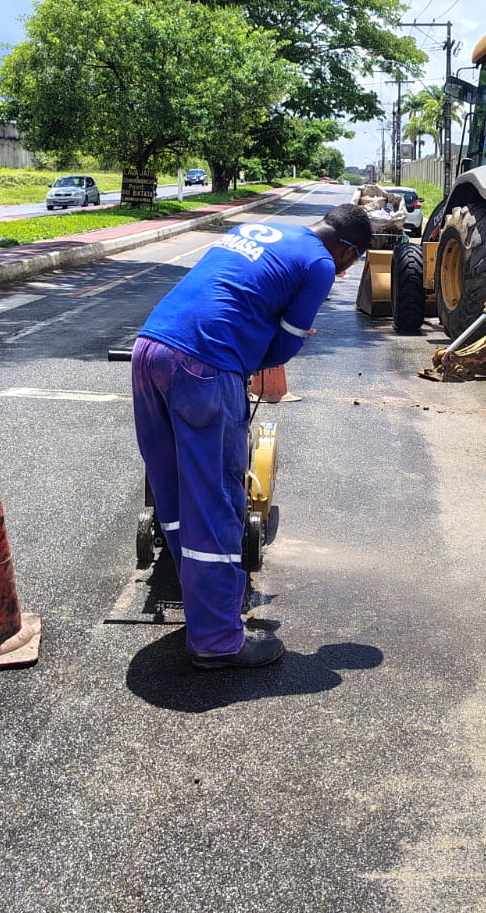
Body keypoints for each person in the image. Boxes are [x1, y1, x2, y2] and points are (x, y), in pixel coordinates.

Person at [131, 204, 374, 670]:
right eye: (352, 262)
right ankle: (217, 640)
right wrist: (253, 356)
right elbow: (285, 343)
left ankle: (203, 602)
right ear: (347, 250)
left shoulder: (260, 229)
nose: (344, 272)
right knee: (215, 498)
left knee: (173, 492)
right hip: (203, 365)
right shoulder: (321, 263)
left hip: (151, 347)